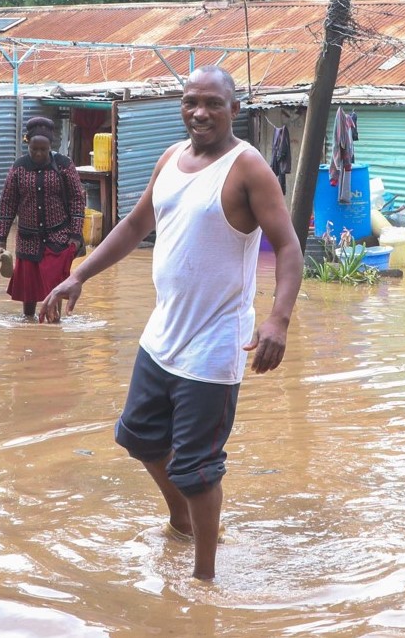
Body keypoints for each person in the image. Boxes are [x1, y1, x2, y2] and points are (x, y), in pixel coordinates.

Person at [39, 66, 302, 581]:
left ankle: (204, 578)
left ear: (234, 109)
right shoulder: (169, 159)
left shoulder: (247, 168)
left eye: (212, 103)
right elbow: (136, 224)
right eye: (190, 102)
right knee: (137, 437)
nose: (199, 112)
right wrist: (79, 275)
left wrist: (278, 318)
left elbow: (289, 245)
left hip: (214, 346)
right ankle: (180, 520)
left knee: (198, 471)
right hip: (162, 337)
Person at [0, 116, 86, 319]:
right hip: (28, 240)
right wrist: (0, 239)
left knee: (56, 286)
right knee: (28, 290)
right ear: (28, 144)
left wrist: (75, 234)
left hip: (58, 238)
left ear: (50, 147)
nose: (38, 154)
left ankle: (54, 324)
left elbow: (77, 200)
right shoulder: (18, 168)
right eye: (34, 149)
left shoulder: (64, 166)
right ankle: (28, 323)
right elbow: (7, 205)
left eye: (43, 150)